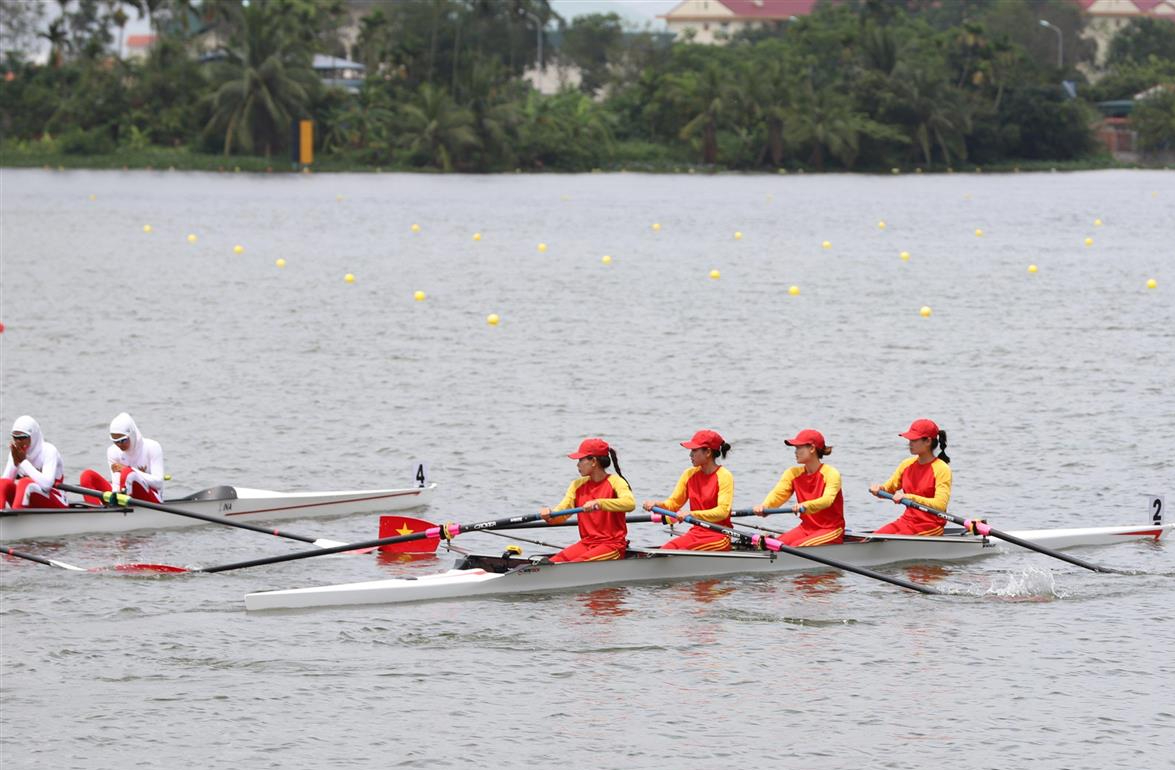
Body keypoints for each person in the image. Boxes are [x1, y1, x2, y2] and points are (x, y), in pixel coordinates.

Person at [540, 438, 635, 563]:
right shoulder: (577, 485)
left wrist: (599, 503)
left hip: (612, 545)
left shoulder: (616, 482)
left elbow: (630, 504)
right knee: (553, 562)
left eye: (580, 460)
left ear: (594, 461)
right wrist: (550, 515)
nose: (577, 465)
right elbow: (562, 513)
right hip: (586, 544)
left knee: (573, 565)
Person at [643, 429, 734, 551]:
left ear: (707, 452)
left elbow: (722, 512)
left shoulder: (724, 476)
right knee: (664, 551)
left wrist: (691, 514)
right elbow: (674, 504)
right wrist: (657, 504)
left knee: (680, 553)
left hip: (719, 535)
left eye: (694, 450)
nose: (690, 455)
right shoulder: (689, 474)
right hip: (696, 532)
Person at [753, 429, 845, 546]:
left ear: (812, 448)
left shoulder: (831, 473)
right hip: (805, 529)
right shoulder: (792, 473)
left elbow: (827, 500)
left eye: (798, 448)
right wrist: (764, 507)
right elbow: (778, 494)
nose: (795, 452)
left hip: (831, 530)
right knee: (772, 545)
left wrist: (806, 505)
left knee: (795, 548)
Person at [869, 418, 952, 536]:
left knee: (893, 541)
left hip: (930, 525)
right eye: (909, 440)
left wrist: (909, 497)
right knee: (874, 538)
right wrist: (878, 490)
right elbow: (889, 488)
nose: (910, 443)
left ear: (928, 441)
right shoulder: (906, 464)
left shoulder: (942, 469)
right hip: (906, 521)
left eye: (914, 440)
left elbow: (940, 505)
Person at [79, 413, 165, 505]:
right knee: (87, 476)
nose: (119, 445)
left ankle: (122, 507)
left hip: (151, 498)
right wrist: (115, 494)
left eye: (123, 440)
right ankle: (95, 512)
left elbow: (158, 483)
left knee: (127, 473)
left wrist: (129, 470)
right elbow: (116, 484)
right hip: (123, 496)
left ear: (132, 435)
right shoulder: (112, 451)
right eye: (116, 442)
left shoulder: (152, 447)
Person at [1, 416, 67, 509]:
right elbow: (5, 483)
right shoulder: (16, 453)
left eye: (22, 437)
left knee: (25, 483)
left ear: (33, 436)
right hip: (31, 498)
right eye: (15, 438)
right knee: (2, 483)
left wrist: (23, 462)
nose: (18, 441)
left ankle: (18, 519)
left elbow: (47, 485)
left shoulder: (49, 451)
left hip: (56, 499)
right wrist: (15, 465)